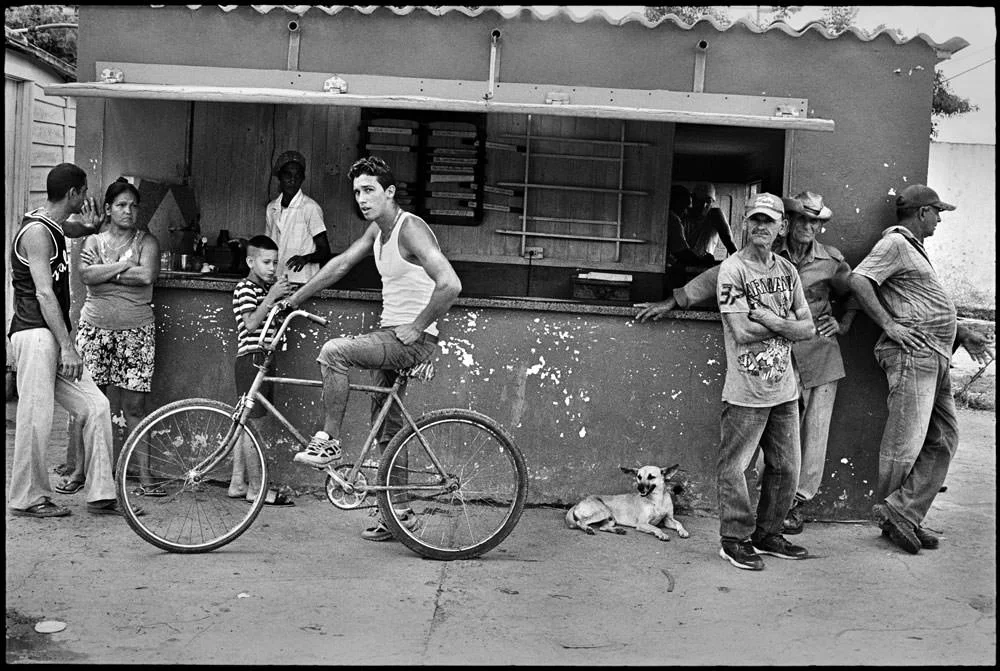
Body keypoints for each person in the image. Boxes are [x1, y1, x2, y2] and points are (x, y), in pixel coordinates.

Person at [637, 191, 858, 535]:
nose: (808, 226)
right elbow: (712, 281)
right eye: (802, 218)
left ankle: (794, 507)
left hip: (818, 355)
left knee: (811, 438)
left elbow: (855, 291)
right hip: (774, 361)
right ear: (788, 223)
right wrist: (673, 300)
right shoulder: (760, 257)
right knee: (765, 447)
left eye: (815, 220)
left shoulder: (831, 261)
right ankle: (753, 517)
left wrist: (843, 323)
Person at [280, 156, 462, 541]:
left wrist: (417, 326)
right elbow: (340, 265)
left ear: (389, 192)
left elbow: (450, 284)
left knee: (334, 352)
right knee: (389, 425)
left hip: (407, 339)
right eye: (357, 192)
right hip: (392, 334)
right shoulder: (377, 233)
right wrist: (294, 300)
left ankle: (327, 442)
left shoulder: (409, 228)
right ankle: (399, 514)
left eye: (369, 190)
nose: (362, 199)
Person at [849, 184, 993, 554]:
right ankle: (894, 515)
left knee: (943, 439)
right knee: (905, 443)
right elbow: (859, 280)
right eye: (937, 212)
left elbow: (921, 303)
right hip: (915, 355)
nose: (940, 219)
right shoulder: (895, 244)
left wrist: (961, 330)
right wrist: (889, 325)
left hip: (935, 356)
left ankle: (904, 514)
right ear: (923, 212)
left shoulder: (913, 249)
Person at [7, 163, 136, 518]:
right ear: (73, 194)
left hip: (52, 334)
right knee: (36, 417)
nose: (87, 197)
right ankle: (27, 498)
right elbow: (45, 295)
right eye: (84, 192)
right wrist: (67, 346)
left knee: (95, 406)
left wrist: (91, 226)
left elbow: (70, 225)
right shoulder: (35, 232)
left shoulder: (50, 222)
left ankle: (101, 494)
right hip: (35, 334)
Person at [713, 193, 815, 570]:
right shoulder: (733, 270)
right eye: (755, 219)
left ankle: (768, 533)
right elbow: (740, 329)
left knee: (787, 467)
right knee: (735, 467)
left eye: (769, 221)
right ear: (744, 223)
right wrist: (788, 326)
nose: (761, 227)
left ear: (781, 227)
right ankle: (734, 539)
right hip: (746, 390)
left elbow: (808, 328)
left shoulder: (787, 271)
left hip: (784, 389)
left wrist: (773, 322)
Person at [56, 178, 162, 497]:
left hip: (136, 333)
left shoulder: (148, 242)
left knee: (134, 406)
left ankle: (143, 476)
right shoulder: (93, 241)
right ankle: (79, 470)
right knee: (88, 402)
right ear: (108, 209)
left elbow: (147, 275)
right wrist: (124, 265)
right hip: (94, 332)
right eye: (121, 205)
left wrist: (107, 270)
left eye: (133, 205)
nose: (128, 211)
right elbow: (86, 276)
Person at [227, 234, 295, 506]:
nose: (271, 268)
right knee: (252, 429)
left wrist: (281, 301)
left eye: (275, 262)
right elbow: (252, 324)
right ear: (250, 261)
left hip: (262, 359)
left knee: (246, 428)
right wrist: (272, 296)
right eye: (266, 262)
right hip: (251, 360)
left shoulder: (262, 290)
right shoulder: (245, 288)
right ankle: (256, 489)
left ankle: (237, 483)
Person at [266, 150, 331, 285]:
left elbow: (325, 251)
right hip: (276, 280)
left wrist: (305, 258)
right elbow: (267, 245)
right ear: (279, 176)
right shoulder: (272, 208)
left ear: (303, 178)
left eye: (297, 175)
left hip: (303, 281)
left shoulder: (310, 208)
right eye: (287, 174)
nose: (292, 180)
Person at [682, 182, 738, 260]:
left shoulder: (715, 215)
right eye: (700, 201)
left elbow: (729, 242)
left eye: (708, 201)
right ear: (694, 199)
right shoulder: (683, 215)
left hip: (705, 265)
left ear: (712, 202)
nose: (704, 205)